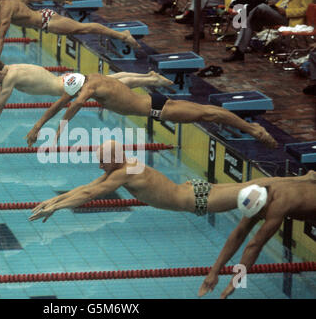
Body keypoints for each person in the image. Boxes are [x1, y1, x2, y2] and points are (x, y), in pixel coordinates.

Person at [28, 140, 313, 223]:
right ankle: (304, 179)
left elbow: (90, 193)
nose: (98, 164)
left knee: (256, 187)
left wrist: (57, 207)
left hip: (198, 199)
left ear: (114, 159)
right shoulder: (123, 166)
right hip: (194, 190)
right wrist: (54, 201)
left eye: (102, 160)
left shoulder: (125, 172)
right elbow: (88, 187)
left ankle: (303, 180)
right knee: (252, 185)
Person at [25, 72, 278, 148]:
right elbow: (60, 103)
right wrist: (37, 126)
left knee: (207, 113)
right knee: (204, 112)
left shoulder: (90, 87)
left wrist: (59, 131)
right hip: (151, 103)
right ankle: (250, 128)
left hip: (155, 109)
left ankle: (253, 129)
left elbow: (77, 104)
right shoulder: (85, 78)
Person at [0, 60, 174, 147]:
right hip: (66, 80)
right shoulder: (12, 69)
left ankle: (151, 80)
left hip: (66, 85)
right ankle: (149, 77)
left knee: (112, 84)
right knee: (109, 81)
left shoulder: (10, 77)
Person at [199, 178, 316, 299]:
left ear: (261, 208)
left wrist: (234, 283)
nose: (259, 219)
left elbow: (254, 245)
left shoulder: (280, 203)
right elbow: (239, 233)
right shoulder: (258, 195)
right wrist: (213, 272)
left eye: (258, 216)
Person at [0, 0, 140, 66]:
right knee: (83, 28)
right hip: (45, 17)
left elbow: (0, 37)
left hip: (47, 21)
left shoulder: (5, 9)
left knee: (85, 28)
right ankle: (121, 34)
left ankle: (122, 35)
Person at [223, 0, 313, 62]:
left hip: (289, 18)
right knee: (249, 20)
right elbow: (283, 3)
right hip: (279, 14)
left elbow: (305, 10)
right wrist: (274, 7)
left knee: (260, 7)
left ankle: (248, 22)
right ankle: (239, 51)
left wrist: (286, 11)